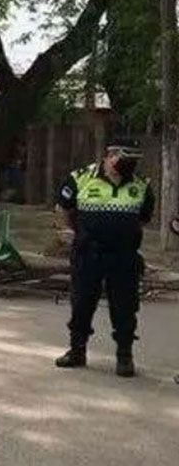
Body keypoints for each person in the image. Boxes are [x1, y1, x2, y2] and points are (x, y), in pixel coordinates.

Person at [55, 139, 154, 377]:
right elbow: (64, 210)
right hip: (89, 253)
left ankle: (124, 356)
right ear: (109, 156)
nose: (130, 165)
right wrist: (79, 234)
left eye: (134, 161)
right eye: (125, 159)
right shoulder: (80, 178)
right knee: (81, 303)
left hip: (123, 256)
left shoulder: (141, 186)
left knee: (125, 307)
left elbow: (142, 219)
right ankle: (77, 350)